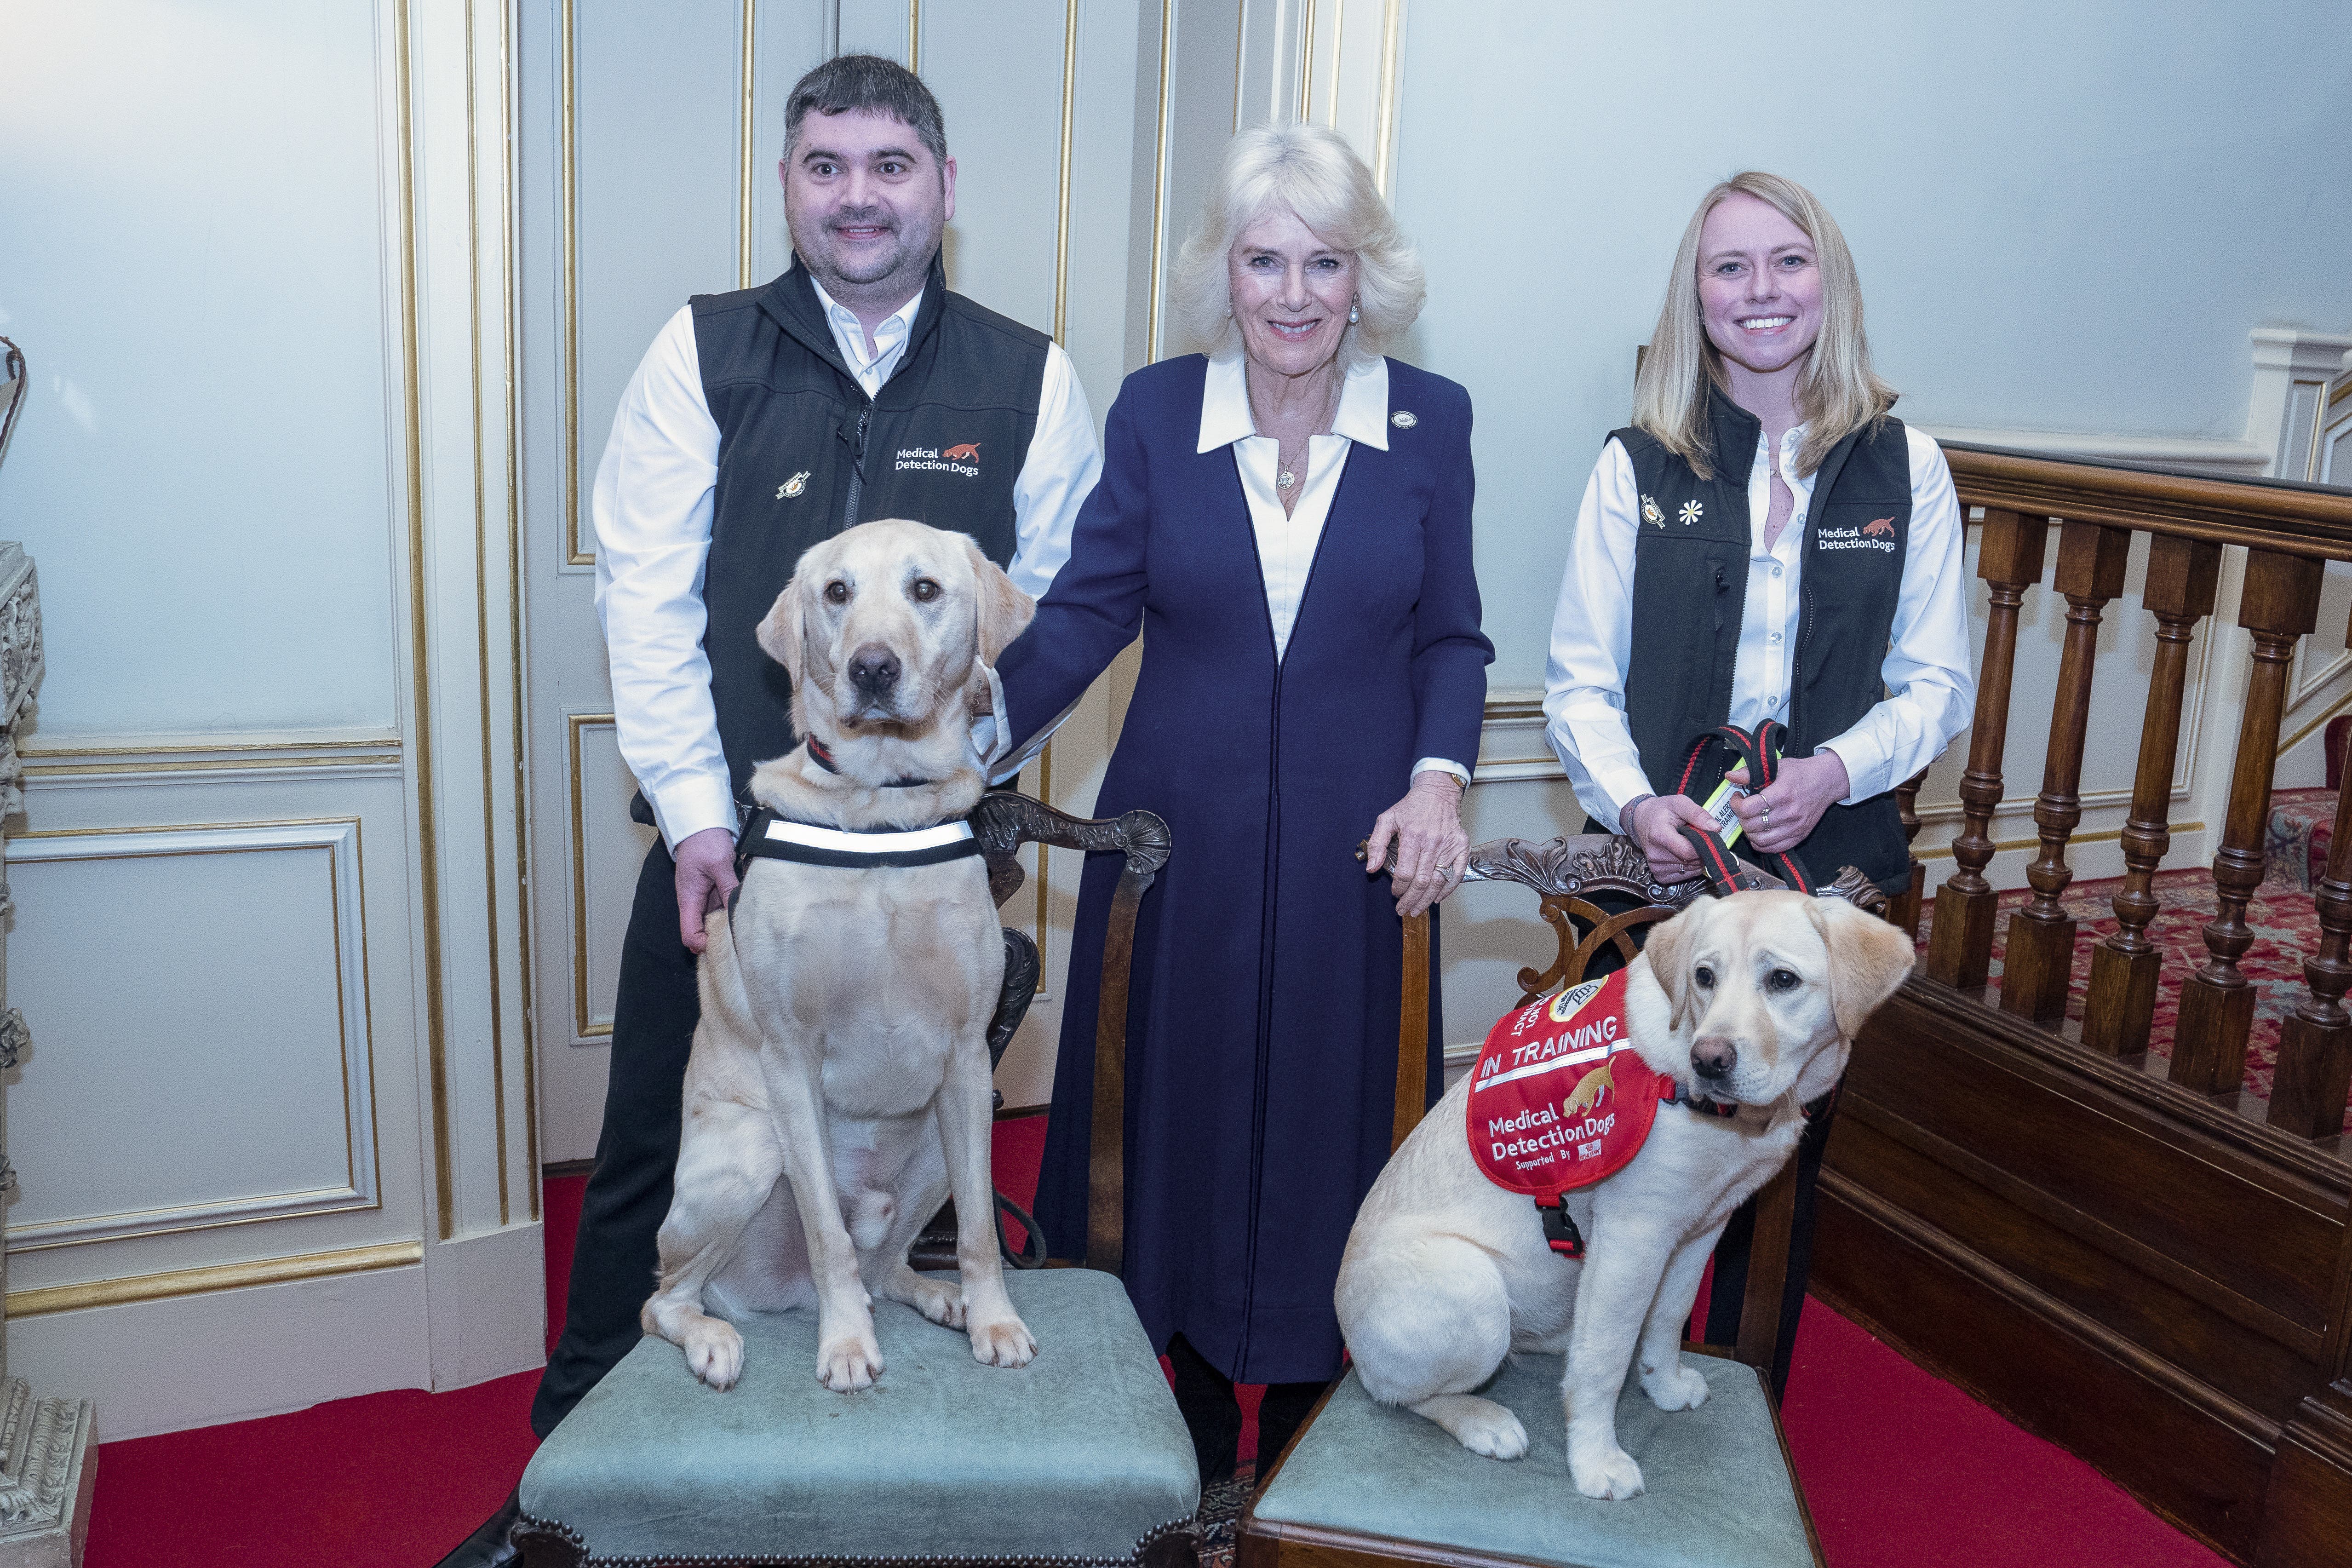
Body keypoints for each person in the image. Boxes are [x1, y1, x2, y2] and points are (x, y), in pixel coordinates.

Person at [436, 53, 1100, 1568]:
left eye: (888, 166)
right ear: (788, 185)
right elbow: (649, 600)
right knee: (653, 1137)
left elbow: (1052, 610)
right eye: (824, 167)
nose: (857, 196)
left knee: (924, 1116)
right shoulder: (705, 351)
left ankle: (875, 1480)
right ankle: (573, 1478)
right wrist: (692, 816)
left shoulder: (1027, 373)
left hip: (936, 832)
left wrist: (971, 766)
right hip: (741, 833)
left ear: (942, 186)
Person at [989, 122, 1492, 1488]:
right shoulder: (1156, 410)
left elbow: (1452, 635)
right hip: (1173, 850)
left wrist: (1439, 777)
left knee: (1340, 1119)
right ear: (1225, 270)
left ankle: (1336, 1400)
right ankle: (1201, 1412)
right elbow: (1086, 614)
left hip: (1364, 851)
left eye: (1323, 261)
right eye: (1264, 259)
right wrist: (948, 738)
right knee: (1181, 1114)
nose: (1291, 292)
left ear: (1363, 276)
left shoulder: (1427, 420)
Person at [1543, 170, 1972, 1394]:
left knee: (1772, 1161)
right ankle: (1580, 1390)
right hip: (1651, 883)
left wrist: (1837, 767)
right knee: (1620, 1152)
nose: (1760, 291)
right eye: (1728, 267)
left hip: (1824, 880)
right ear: (1696, 295)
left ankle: (1739, 1397)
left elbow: (1933, 684)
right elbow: (1577, 679)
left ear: (1825, 282)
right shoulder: (1636, 465)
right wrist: (1635, 803)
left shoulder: (1909, 467)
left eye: (1787, 262)